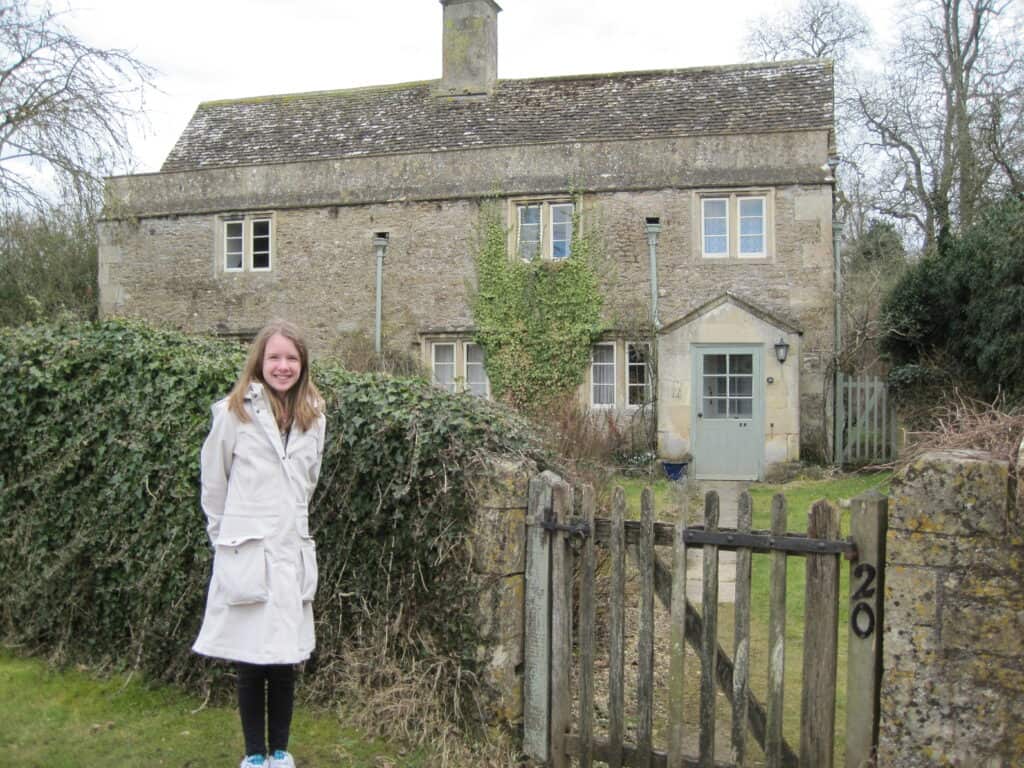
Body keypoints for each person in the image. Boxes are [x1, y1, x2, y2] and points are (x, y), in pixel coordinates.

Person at [193, 320, 327, 768]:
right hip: (247, 553)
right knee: (250, 663)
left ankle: (280, 754)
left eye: (292, 358)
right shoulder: (233, 412)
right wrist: (227, 542)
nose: (283, 366)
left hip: (290, 554)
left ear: (302, 365)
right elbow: (213, 485)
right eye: (275, 357)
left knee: (286, 660)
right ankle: (254, 757)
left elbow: (307, 484)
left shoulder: (315, 418)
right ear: (259, 361)